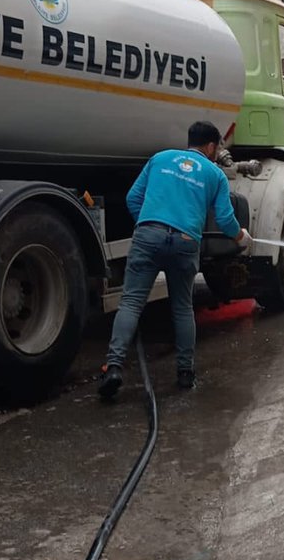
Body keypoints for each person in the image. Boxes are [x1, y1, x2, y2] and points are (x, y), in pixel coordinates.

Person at [99, 121, 251, 400]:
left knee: (131, 302)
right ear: (210, 146)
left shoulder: (160, 159)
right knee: (182, 307)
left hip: (148, 235)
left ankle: (114, 368)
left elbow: (134, 198)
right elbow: (226, 219)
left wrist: (149, 227)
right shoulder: (213, 174)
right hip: (185, 242)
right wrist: (241, 237)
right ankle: (185, 373)